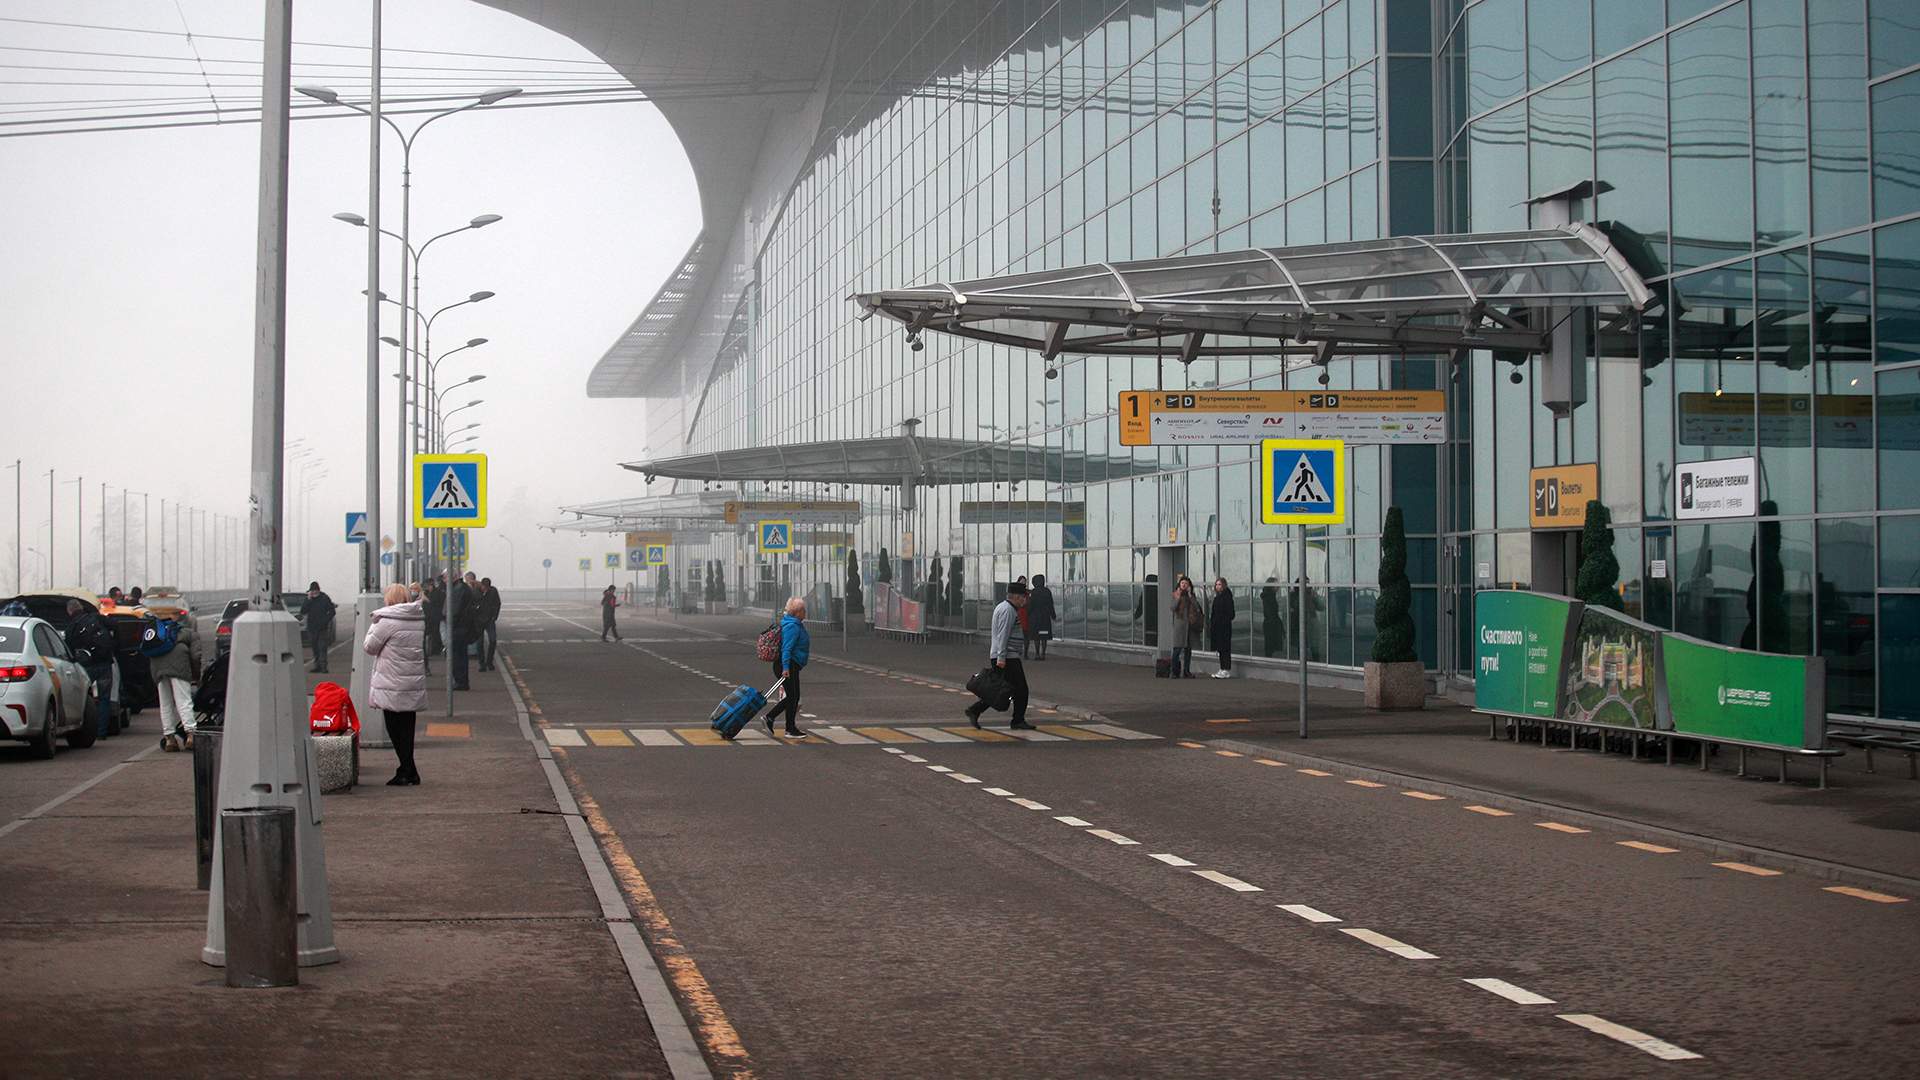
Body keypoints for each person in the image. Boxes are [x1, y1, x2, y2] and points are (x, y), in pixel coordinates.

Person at [364, 582, 427, 786]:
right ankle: (408, 770)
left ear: (389, 599)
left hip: (392, 681)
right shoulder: (417, 619)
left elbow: (370, 647)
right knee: (407, 729)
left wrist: (375, 623)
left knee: (394, 728)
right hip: (411, 681)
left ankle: (407, 770)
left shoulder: (386, 621)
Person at [967, 580, 1035, 730]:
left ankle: (975, 710)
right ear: (1016, 597)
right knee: (1020, 689)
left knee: (1000, 689)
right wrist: (1001, 658)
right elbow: (1003, 635)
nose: (1025, 600)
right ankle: (1017, 721)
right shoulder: (1008, 610)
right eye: (1024, 596)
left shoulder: (1005, 608)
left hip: (1005, 656)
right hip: (1007, 657)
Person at [62, 598, 118, 739]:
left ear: (70, 611)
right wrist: (113, 645)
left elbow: (68, 650)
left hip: (85, 667)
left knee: (85, 698)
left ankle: (86, 730)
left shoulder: (71, 628)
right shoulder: (96, 618)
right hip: (104, 663)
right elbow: (115, 625)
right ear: (81, 607)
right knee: (104, 698)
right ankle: (101, 732)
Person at [151, 610, 198, 750]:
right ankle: (191, 735)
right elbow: (196, 656)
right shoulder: (188, 633)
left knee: (165, 703)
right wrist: (197, 675)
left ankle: (169, 739)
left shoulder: (158, 635)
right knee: (183, 701)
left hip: (158, 668)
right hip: (179, 668)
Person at [764, 596, 811, 738]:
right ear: (797, 612)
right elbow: (787, 648)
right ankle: (786, 727)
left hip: (791, 665)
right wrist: (785, 668)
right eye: (803, 610)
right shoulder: (792, 626)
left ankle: (777, 721)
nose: (805, 613)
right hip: (787, 665)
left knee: (793, 697)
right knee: (793, 697)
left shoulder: (794, 624)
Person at [448, 571, 477, 691]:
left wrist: (450, 621)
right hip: (462, 627)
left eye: (445, 577)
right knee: (460, 656)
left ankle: (461, 682)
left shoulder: (459, 590)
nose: (444, 580)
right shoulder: (461, 588)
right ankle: (461, 681)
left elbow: (455, 610)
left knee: (458, 656)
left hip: (459, 628)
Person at [1170, 576, 1202, 679]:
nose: (1184, 585)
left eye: (1186, 583)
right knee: (1177, 649)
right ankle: (1174, 672)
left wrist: (1190, 595)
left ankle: (1186, 671)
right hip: (1180, 626)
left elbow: (1197, 607)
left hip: (1190, 625)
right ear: (1179, 585)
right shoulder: (1176, 594)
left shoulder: (1191, 596)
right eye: (1182, 583)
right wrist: (1178, 597)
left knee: (1188, 650)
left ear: (1189, 586)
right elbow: (1173, 607)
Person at [303, 581, 337, 673]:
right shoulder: (309, 600)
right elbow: (303, 611)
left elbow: (332, 611)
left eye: (314, 591)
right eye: (312, 592)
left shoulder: (324, 598)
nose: (313, 593)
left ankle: (323, 667)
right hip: (312, 628)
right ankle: (317, 666)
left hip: (322, 628)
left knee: (322, 647)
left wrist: (325, 620)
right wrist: (308, 600)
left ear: (318, 590)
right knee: (315, 648)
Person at [1209, 577, 1237, 679]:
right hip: (1217, 627)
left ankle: (1226, 669)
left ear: (1224, 585)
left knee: (1225, 648)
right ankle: (1222, 668)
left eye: (1220, 584)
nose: (1217, 586)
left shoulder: (1227, 598)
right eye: (1216, 585)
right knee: (1220, 649)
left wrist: (1222, 619)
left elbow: (1231, 614)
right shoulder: (1217, 598)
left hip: (1224, 627)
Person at [1028, 573, 1056, 660]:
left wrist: (1028, 614)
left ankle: (1037, 654)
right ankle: (1043, 653)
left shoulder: (1034, 592)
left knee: (1037, 637)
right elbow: (1051, 604)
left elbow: (1031, 605)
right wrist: (1053, 615)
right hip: (1045, 618)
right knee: (1044, 636)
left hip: (1036, 618)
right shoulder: (1047, 591)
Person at [476, 576, 502, 672]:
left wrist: (494, 616)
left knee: (493, 640)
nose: (485, 589)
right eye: (484, 587)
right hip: (478, 621)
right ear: (481, 585)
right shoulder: (476, 592)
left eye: (487, 587)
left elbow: (497, 603)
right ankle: (482, 664)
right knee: (479, 643)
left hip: (490, 620)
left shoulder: (493, 591)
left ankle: (489, 661)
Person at [1013, 574, 1032, 656]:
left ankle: (1025, 653)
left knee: (1026, 634)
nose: (1023, 583)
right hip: (1019, 613)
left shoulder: (1027, 592)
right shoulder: (1016, 591)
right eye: (1021, 582)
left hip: (1026, 614)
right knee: (1019, 633)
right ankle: (1018, 650)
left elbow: (1029, 602)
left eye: (1024, 582)